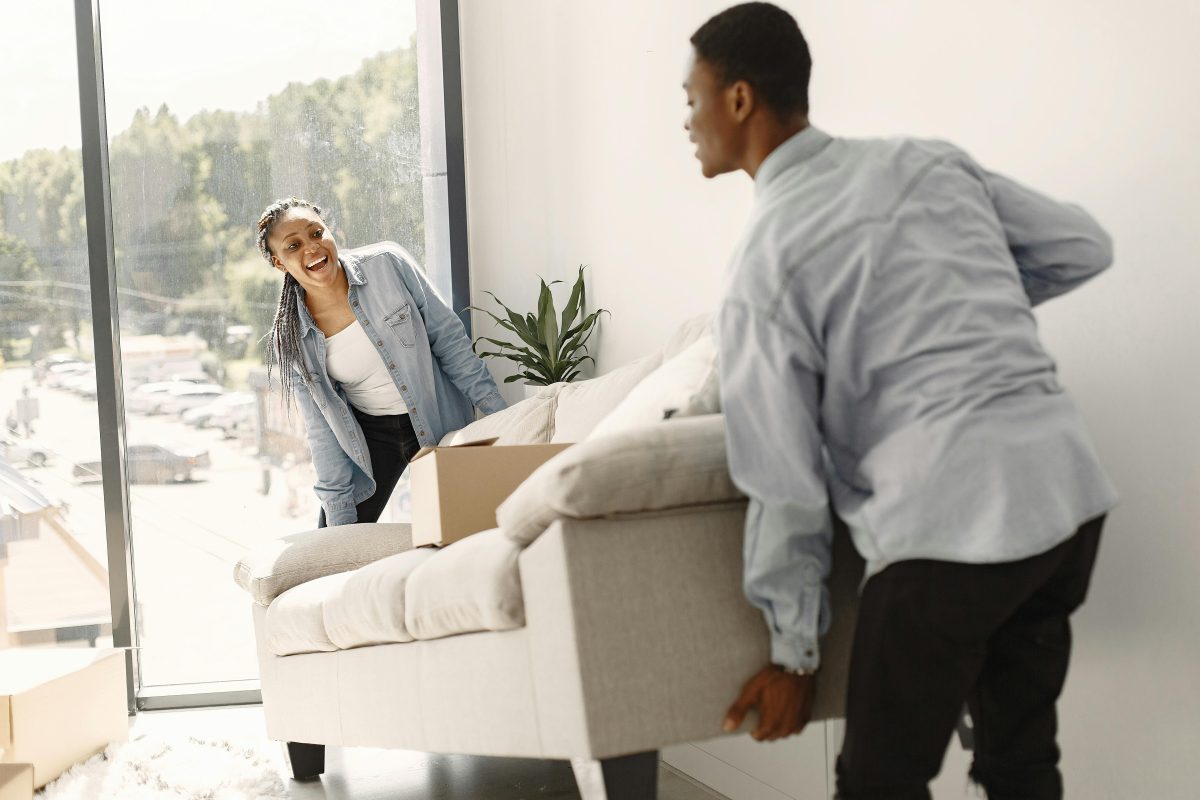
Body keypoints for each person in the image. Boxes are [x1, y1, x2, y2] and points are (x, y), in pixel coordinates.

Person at [684, 4, 1116, 798]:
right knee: (1021, 763)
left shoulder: (763, 263)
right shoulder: (924, 162)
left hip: (951, 529)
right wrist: (952, 299)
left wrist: (794, 655)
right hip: (1068, 500)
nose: (688, 121)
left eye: (693, 98)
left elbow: (781, 481)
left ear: (739, 100)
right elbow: (1084, 245)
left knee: (879, 785)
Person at [257, 197, 506, 527]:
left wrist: (503, 420)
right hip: (371, 440)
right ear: (278, 262)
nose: (312, 248)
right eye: (294, 245)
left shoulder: (388, 264)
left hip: (438, 419)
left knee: (467, 530)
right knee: (335, 542)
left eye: (317, 233)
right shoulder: (290, 338)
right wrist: (338, 512)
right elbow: (321, 432)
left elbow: (451, 343)